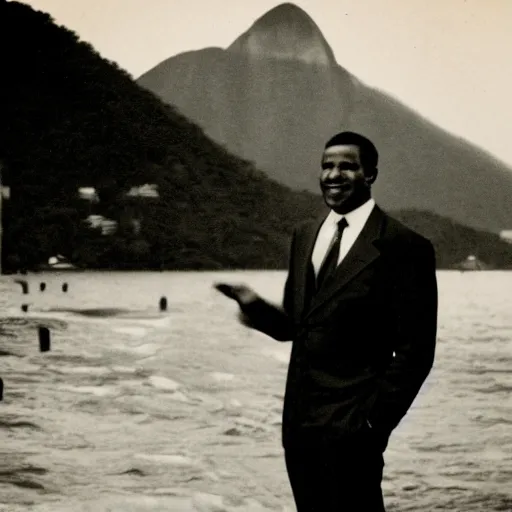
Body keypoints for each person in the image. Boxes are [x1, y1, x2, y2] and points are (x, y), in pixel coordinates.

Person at [214, 131, 438, 511]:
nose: (334, 174)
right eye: (327, 165)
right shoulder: (304, 235)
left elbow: (417, 353)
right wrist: (255, 308)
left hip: (355, 429)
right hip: (300, 426)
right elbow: (295, 326)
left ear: (370, 175)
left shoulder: (404, 246)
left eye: (347, 166)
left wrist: (372, 424)